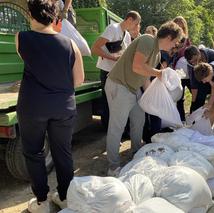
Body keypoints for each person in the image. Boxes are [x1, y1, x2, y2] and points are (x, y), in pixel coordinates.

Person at [15, 0, 84, 212]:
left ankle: (41, 202)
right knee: (62, 153)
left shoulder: (21, 38)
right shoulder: (71, 45)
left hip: (32, 106)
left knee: (34, 153)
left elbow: (29, 59)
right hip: (63, 106)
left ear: (30, 15)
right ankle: (64, 197)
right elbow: (79, 80)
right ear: (55, 17)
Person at [105, 21, 183, 176]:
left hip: (133, 89)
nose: (174, 45)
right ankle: (112, 167)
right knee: (117, 127)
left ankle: (136, 154)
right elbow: (137, 66)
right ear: (168, 37)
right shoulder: (148, 40)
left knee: (139, 121)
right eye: (174, 42)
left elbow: (145, 78)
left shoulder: (158, 54)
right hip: (119, 85)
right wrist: (160, 73)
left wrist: (155, 98)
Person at [91, 11, 141, 131]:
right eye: (135, 24)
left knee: (118, 103)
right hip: (107, 72)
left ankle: (118, 130)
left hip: (118, 73)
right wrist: (113, 58)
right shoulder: (112, 28)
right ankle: (108, 131)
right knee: (108, 103)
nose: (136, 27)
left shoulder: (127, 35)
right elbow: (95, 48)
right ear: (129, 19)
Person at [184, 45, 214, 135]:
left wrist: (211, 102)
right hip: (201, 82)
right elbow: (194, 85)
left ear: (198, 53)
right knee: (198, 101)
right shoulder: (190, 65)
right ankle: (195, 128)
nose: (194, 63)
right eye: (191, 62)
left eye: (195, 60)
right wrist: (193, 105)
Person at [173, 16, 192, 121]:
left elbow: (191, 53)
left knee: (195, 94)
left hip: (188, 73)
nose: (179, 26)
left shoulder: (187, 41)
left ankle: (192, 117)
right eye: (177, 24)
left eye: (181, 24)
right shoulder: (172, 39)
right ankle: (181, 119)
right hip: (177, 73)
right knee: (179, 97)